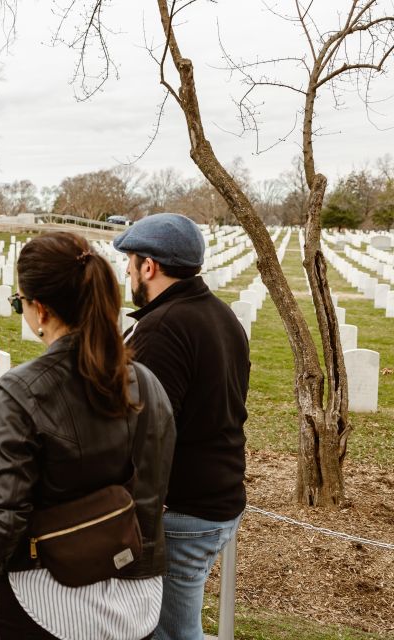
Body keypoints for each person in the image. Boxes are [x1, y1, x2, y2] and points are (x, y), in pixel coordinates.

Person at [0, 231, 176, 640]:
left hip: (50, 599)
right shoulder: (145, 381)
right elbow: (155, 485)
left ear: (39, 309)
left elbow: (2, 510)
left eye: (20, 303)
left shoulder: (22, 389)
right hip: (138, 593)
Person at [113, 213, 251, 640]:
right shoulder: (220, 314)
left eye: (131, 263)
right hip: (218, 496)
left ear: (149, 267)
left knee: (169, 632)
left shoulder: (163, 329)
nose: (128, 272)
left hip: (184, 510)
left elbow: (143, 432)